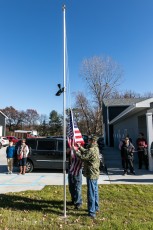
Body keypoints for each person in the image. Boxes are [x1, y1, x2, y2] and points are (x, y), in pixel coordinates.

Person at [73, 135, 100, 218]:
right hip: (95, 173)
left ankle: (92, 212)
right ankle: (96, 207)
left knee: (91, 193)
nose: (88, 141)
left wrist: (76, 151)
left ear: (93, 141)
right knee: (95, 191)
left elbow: (83, 157)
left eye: (89, 140)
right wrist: (80, 147)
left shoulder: (92, 150)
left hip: (91, 174)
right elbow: (86, 151)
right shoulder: (95, 148)